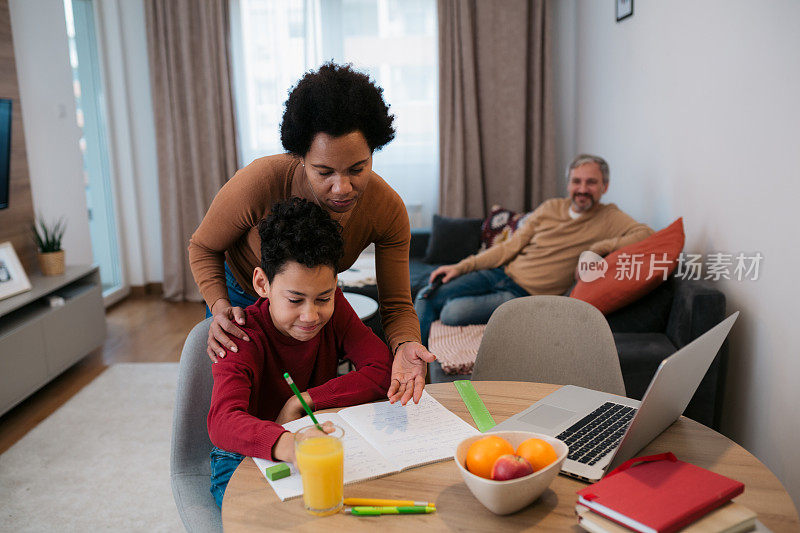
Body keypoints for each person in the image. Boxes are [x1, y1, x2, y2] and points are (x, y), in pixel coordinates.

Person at [189, 63, 434, 405]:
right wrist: (219, 306)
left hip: (310, 294)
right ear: (300, 156)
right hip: (241, 295)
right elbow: (202, 247)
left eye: (357, 169)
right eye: (324, 171)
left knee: (306, 401)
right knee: (240, 406)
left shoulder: (386, 209)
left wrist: (407, 342)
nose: (342, 187)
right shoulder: (258, 183)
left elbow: (395, 302)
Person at [206, 198, 392, 507]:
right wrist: (288, 442)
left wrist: (301, 401)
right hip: (241, 455)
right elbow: (223, 421)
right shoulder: (239, 334)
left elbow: (382, 367)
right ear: (262, 283)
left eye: (324, 297)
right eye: (295, 300)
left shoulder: (336, 309)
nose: (311, 315)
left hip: (309, 436)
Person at [415, 154, 654, 345]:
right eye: (576, 181)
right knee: (426, 295)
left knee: (451, 313)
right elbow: (510, 247)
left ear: (605, 186)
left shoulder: (610, 217)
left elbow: (646, 235)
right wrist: (460, 267)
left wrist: (598, 248)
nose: (582, 189)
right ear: (569, 183)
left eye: (591, 182)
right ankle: (413, 374)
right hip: (499, 273)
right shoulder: (551, 207)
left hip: (522, 295)